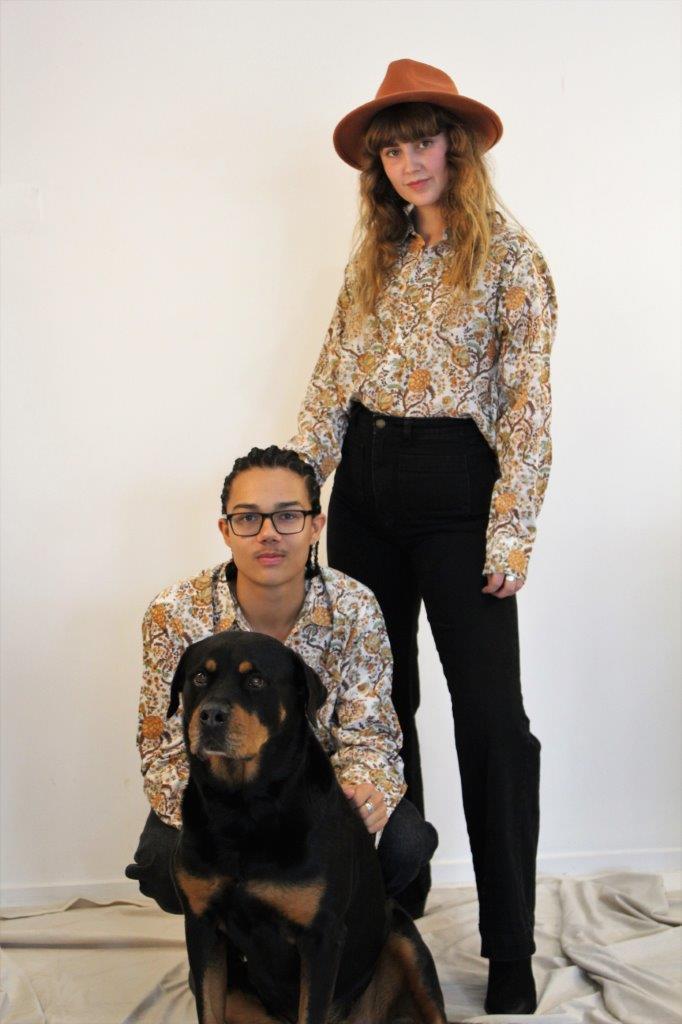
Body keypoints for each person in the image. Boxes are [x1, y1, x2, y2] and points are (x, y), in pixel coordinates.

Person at [287, 59, 557, 1015]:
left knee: (491, 722)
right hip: (363, 486)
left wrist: (510, 534)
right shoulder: (376, 260)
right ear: (379, 164)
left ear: (459, 145)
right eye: (391, 147)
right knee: (377, 708)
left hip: (458, 494)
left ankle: (512, 948)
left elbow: (526, 409)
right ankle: (392, 912)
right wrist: (298, 497)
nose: (408, 161)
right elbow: (329, 388)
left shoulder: (512, 261)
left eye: (423, 141)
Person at [126, 444, 437, 922]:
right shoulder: (175, 612)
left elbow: (370, 735)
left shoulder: (355, 607)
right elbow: (162, 746)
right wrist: (238, 822)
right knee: (160, 861)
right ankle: (240, 942)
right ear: (225, 530)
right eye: (248, 518)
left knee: (407, 844)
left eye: (288, 516)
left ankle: (329, 932)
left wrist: (364, 788)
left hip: (320, 804)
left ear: (316, 525)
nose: (269, 534)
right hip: (218, 802)